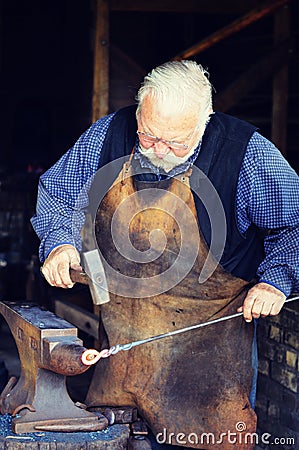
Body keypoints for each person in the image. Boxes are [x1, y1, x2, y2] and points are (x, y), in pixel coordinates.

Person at [31, 60, 299, 448]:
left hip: (209, 361)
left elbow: (294, 223)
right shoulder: (108, 134)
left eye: (174, 143)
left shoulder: (247, 156)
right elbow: (59, 191)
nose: (158, 151)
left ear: (202, 123)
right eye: (149, 137)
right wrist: (59, 243)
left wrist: (276, 281)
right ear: (140, 111)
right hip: (123, 350)